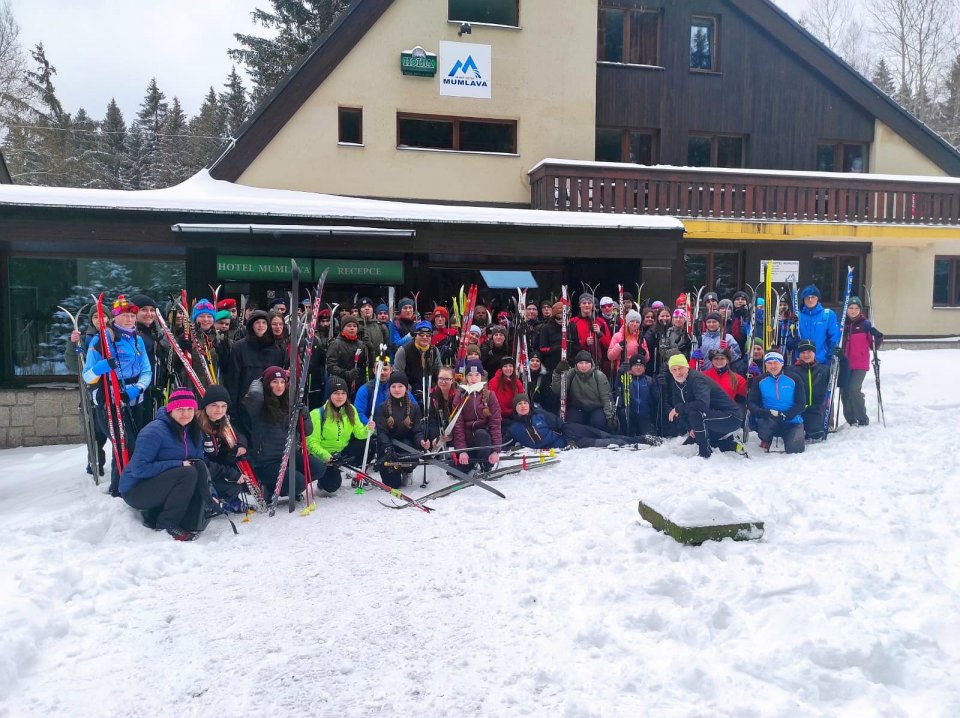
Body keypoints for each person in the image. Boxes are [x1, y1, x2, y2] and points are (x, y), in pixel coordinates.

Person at [83, 295, 153, 496]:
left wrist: (138, 388)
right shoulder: (101, 340)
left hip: (134, 399)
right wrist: (101, 367)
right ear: (115, 317)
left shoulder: (137, 340)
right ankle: (121, 488)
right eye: (124, 315)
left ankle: (122, 484)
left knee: (134, 443)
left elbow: (146, 370)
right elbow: (87, 376)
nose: (129, 319)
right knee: (124, 443)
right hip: (110, 401)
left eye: (132, 315)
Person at [119, 388, 210, 541]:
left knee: (194, 469)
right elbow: (138, 469)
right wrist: (178, 464)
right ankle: (167, 525)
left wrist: (211, 495)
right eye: (180, 409)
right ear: (170, 410)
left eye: (190, 409)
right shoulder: (154, 431)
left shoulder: (193, 430)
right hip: (136, 490)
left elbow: (200, 464)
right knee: (188, 472)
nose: (185, 414)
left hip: (161, 486)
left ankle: (162, 516)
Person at [242, 366, 312, 501]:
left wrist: (304, 415)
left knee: (317, 468)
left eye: (282, 382)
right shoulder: (258, 403)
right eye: (274, 382)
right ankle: (270, 487)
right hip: (267, 462)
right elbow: (254, 394)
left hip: (288, 455)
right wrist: (262, 378)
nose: (279, 386)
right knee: (299, 482)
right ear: (266, 384)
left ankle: (283, 489)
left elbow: (308, 431)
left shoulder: (288, 402)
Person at [665, 353, 744, 458]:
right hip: (710, 418)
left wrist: (678, 409)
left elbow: (702, 405)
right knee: (692, 443)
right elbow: (679, 404)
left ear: (687, 367)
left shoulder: (697, 379)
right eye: (674, 370)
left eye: (680, 368)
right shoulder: (676, 383)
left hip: (731, 417)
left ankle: (705, 454)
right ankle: (731, 445)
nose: (678, 372)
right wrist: (690, 428)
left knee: (696, 414)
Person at [306, 376, 372, 487]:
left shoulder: (351, 409)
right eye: (336, 393)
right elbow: (311, 443)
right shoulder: (317, 414)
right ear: (329, 395)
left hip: (342, 451)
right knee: (332, 486)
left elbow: (359, 433)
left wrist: (368, 428)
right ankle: (324, 477)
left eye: (343, 393)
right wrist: (327, 456)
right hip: (325, 455)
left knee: (368, 444)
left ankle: (357, 472)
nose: (340, 397)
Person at [508, 394, 636, 450]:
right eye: (519, 404)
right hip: (567, 444)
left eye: (525, 403)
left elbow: (562, 425)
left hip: (572, 433)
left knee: (607, 436)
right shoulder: (514, 428)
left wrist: (570, 441)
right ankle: (635, 443)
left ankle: (641, 440)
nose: (523, 406)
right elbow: (504, 444)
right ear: (515, 408)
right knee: (610, 442)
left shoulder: (540, 415)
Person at [196, 384, 250, 513]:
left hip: (217, 466)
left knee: (243, 473)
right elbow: (202, 462)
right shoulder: (197, 427)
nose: (219, 410)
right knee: (232, 487)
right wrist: (232, 474)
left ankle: (228, 498)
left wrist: (241, 445)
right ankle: (215, 502)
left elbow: (238, 434)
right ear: (205, 406)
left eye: (223, 406)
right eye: (214, 405)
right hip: (203, 471)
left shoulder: (223, 421)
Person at [226, 309, 287, 420]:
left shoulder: (277, 349)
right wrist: (232, 408)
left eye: (264, 322)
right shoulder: (239, 348)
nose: (261, 325)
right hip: (244, 404)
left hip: (269, 405)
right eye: (257, 322)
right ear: (251, 325)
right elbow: (233, 380)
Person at [374, 371, 426, 489]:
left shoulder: (414, 408)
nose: (397, 389)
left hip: (406, 445)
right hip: (388, 447)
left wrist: (421, 441)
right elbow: (382, 433)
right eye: (393, 386)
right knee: (393, 484)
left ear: (406, 388)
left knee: (411, 453)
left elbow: (417, 431)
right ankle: (395, 472)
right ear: (389, 388)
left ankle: (407, 470)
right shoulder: (382, 408)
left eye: (400, 386)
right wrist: (387, 448)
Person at [746, 351, 806, 453]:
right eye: (769, 363)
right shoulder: (760, 380)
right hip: (769, 419)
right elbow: (751, 402)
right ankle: (767, 439)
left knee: (795, 450)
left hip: (792, 420)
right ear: (765, 364)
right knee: (765, 426)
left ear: (782, 363)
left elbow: (801, 403)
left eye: (776, 362)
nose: (773, 366)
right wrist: (763, 412)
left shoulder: (794, 378)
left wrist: (787, 415)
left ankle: (789, 438)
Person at [839, 297, 883, 427]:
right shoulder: (842, 325)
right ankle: (851, 420)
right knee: (845, 391)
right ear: (846, 309)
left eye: (856, 308)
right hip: (844, 363)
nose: (853, 311)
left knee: (854, 389)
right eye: (851, 308)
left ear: (860, 310)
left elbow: (873, 345)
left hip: (860, 363)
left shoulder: (865, 325)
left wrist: (878, 336)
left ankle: (862, 418)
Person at [451, 359, 502, 472]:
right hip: (467, 440)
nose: (473, 379)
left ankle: (485, 464)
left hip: (483, 440)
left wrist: (495, 450)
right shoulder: (460, 396)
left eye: (477, 375)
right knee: (456, 471)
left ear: (482, 377)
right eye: (470, 375)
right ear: (466, 377)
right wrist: (462, 451)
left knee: (481, 434)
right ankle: (470, 462)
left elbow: (495, 423)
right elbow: (458, 425)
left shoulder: (490, 395)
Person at [551, 351, 616, 431]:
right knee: (572, 422)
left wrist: (610, 417)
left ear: (591, 363)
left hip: (596, 408)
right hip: (578, 407)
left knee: (599, 421)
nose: (584, 365)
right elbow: (558, 390)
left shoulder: (599, 376)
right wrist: (557, 373)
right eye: (581, 363)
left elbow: (606, 397)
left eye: (586, 363)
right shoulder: (571, 374)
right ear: (576, 364)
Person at [393, 320, 441, 403]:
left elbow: (439, 372)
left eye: (428, 335)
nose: (425, 337)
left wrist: (436, 389)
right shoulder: (403, 350)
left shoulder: (434, 350)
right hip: (409, 393)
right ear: (415, 335)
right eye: (421, 334)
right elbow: (397, 375)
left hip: (429, 392)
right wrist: (409, 391)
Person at [615, 353, 660, 439]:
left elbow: (657, 398)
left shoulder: (650, 381)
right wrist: (619, 374)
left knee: (650, 438)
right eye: (635, 365)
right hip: (630, 416)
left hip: (645, 417)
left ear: (645, 368)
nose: (638, 367)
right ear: (630, 367)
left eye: (641, 365)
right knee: (624, 414)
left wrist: (660, 385)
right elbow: (617, 389)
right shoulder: (625, 379)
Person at [792, 285, 841, 365]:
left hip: (821, 360)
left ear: (817, 298)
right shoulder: (797, 316)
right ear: (803, 299)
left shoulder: (828, 314)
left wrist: (830, 354)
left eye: (813, 297)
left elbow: (834, 337)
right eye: (807, 297)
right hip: (802, 360)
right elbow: (792, 335)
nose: (810, 300)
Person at [326, 315, 372, 398]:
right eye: (349, 326)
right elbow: (331, 366)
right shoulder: (335, 344)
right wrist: (346, 374)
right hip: (340, 385)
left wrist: (371, 349)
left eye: (354, 326)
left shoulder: (361, 345)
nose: (352, 328)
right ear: (343, 328)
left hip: (359, 385)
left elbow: (368, 364)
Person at [793, 338, 829, 440]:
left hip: (815, 410)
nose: (806, 355)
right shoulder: (792, 370)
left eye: (809, 352)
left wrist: (843, 360)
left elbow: (841, 381)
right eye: (803, 352)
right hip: (797, 410)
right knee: (795, 437)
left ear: (814, 353)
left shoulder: (823, 370)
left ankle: (811, 427)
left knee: (816, 434)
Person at [424, 365, 463, 447]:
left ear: (452, 380)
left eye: (447, 379)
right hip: (441, 434)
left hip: (457, 434)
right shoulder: (433, 396)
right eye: (441, 378)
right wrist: (435, 438)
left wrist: (451, 435)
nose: (443, 382)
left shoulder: (458, 395)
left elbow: (460, 420)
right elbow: (432, 419)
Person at [488, 356, 522, 426]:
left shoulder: (517, 382)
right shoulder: (494, 382)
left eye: (510, 366)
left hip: (514, 414)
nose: (508, 368)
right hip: (499, 416)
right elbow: (491, 403)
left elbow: (521, 399)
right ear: (501, 368)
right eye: (505, 366)